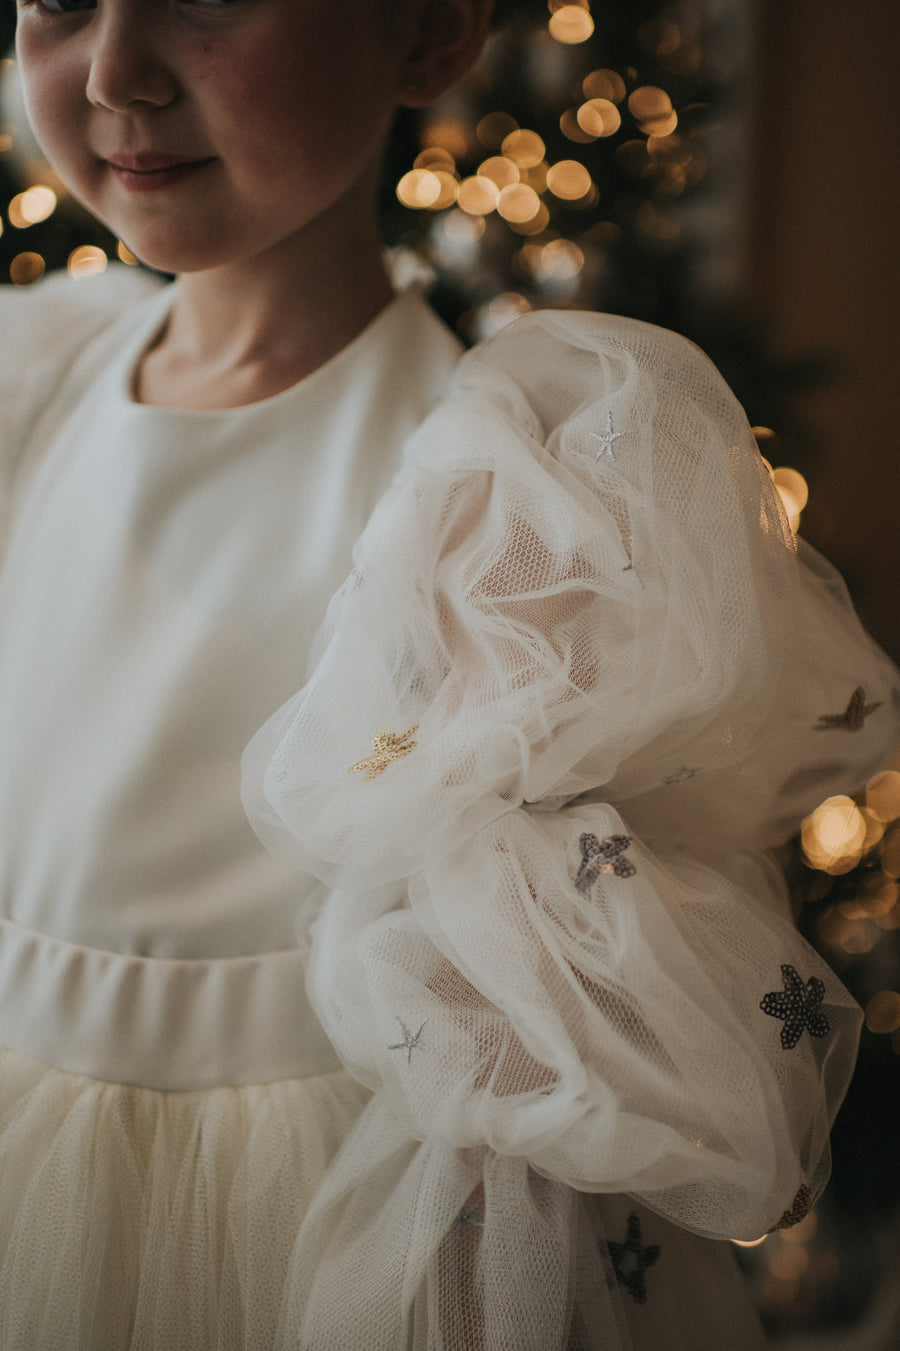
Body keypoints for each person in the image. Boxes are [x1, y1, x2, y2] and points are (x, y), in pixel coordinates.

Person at [1, 0, 896, 1347]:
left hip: (285, 1217)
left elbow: (509, 1035)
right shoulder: (34, 377)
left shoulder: (498, 496)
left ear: (426, 35)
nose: (118, 71)